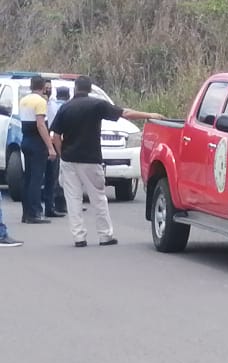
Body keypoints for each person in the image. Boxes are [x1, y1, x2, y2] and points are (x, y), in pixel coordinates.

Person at [47, 76, 165, 248]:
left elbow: (56, 136)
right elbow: (125, 113)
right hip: (91, 159)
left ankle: (79, 237)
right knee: (98, 198)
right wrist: (149, 115)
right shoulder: (96, 105)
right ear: (88, 89)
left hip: (69, 159)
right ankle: (105, 235)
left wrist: (61, 153)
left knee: (73, 199)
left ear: (75, 88)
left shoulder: (65, 108)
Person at [17, 76, 57, 225]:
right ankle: (35, 213)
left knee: (27, 178)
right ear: (43, 87)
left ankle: (26, 213)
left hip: (25, 139)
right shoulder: (41, 102)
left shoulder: (24, 100)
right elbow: (41, 125)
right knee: (36, 178)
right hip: (36, 142)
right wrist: (50, 147)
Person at [44, 85, 71, 218]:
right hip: (60, 142)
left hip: (52, 140)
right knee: (58, 176)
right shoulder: (66, 107)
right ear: (68, 96)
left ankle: (58, 204)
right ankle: (60, 204)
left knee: (55, 176)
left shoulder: (52, 105)